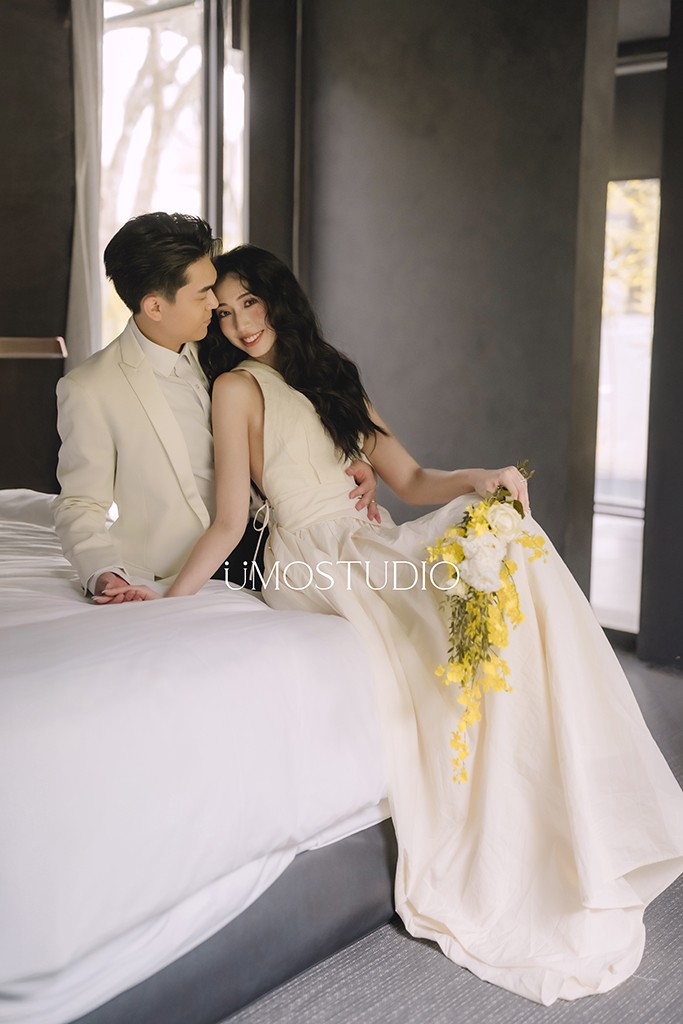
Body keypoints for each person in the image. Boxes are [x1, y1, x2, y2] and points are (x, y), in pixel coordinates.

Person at [102, 245, 683, 1004]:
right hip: (310, 557)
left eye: (252, 302)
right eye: (227, 310)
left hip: (364, 536)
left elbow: (409, 477)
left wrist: (480, 476)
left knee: (509, 542)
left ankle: (562, 797)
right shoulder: (236, 389)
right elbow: (230, 520)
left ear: (278, 299)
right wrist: (170, 601)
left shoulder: (333, 375)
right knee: (442, 611)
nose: (242, 323)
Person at [54, 215, 378, 600]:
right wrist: (104, 574)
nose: (215, 302)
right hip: (178, 567)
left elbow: (293, 410)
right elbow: (80, 503)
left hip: (275, 547)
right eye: (203, 293)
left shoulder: (226, 344)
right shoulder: (90, 388)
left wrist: (351, 463)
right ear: (155, 306)